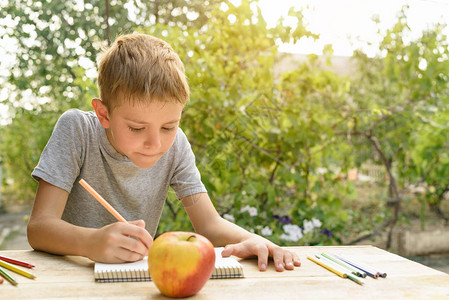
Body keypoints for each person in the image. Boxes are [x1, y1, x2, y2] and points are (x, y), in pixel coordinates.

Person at [27, 33, 301, 272]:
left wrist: (253, 240)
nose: (154, 143)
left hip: (135, 279)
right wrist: (89, 243)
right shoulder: (78, 130)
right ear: (103, 113)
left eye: (169, 126)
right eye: (136, 128)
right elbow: (39, 228)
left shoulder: (177, 145)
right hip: (70, 278)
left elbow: (209, 224)